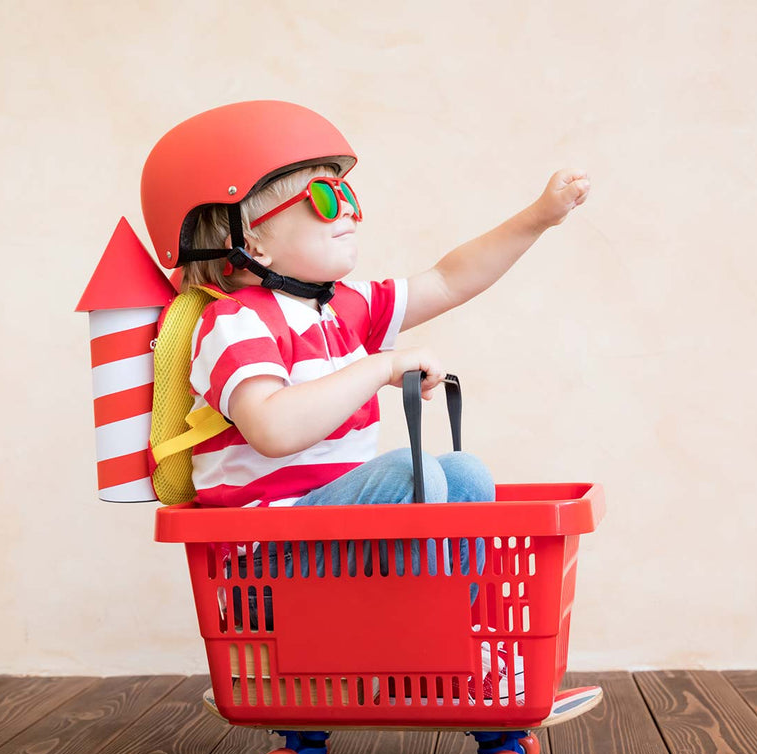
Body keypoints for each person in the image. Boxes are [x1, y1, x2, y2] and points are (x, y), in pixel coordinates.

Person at [140, 101, 588, 704]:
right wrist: (379, 366)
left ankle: (464, 647)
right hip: (270, 571)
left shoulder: (343, 309)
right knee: (414, 472)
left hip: (339, 541)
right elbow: (271, 426)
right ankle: (439, 658)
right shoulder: (235, 322)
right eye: (323, 201)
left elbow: (448, 280)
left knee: (464, 472)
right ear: (246, 243)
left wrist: (538, 218)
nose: (347, 212)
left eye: (348, 196)